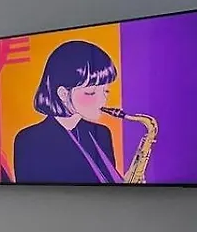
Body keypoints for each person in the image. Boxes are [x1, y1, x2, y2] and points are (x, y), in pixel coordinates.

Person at [13, 40, 123, 184]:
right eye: (91, 92)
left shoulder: (102, 133)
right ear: (63, 94)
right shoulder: (29, 140)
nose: (103, 100)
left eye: (106, 91)